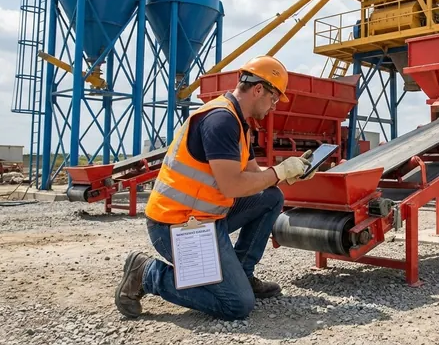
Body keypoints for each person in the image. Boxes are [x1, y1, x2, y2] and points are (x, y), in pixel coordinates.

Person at [114, 55, 316, 321]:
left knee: (271, 197)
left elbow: (256, 177)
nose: (274, 106)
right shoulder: (221, 121)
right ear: (258, 90)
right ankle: (146, 273)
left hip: (207, 218)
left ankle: (241, 273)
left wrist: (289, 175)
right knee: (237, 305)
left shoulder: (241, 124)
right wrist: (278, 172)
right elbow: (232, 185)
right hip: (176, 225)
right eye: (274, 98)